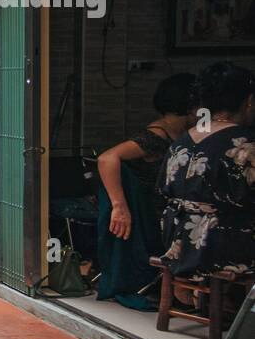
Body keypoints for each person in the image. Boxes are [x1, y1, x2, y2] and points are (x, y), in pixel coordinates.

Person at [94, 73, 198, 309]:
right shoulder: (155, 137)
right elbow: (107, 158)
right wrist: (119, 207)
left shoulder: (178, 135)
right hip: (152, 218)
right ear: (191, 106)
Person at [159, 62, 255, 281]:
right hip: (221, 246)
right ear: (248, 101)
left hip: (178, 240)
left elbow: (163, 190)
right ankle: (240, 308)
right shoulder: (245, 142)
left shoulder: (182, 141)